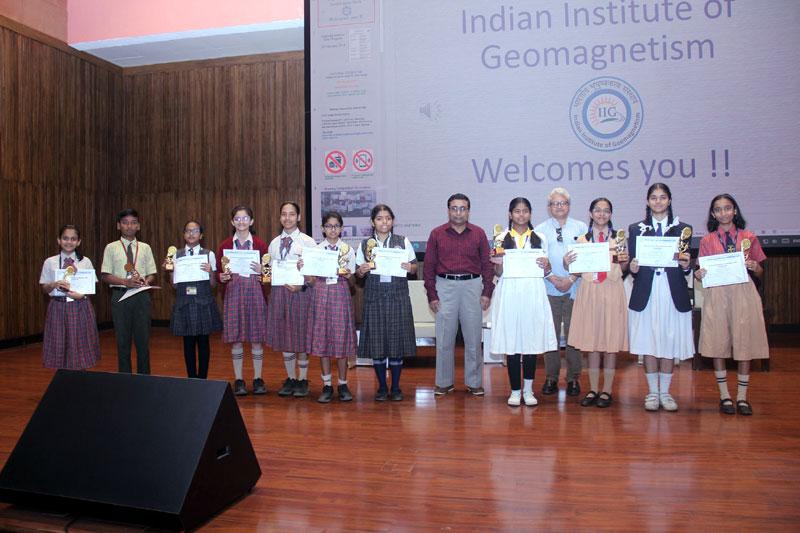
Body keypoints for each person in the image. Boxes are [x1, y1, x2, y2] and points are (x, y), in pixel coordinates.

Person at [696, 193, 769, 416]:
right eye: (718, 209)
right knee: (718, 342)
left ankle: (742, 397)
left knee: (744, 341)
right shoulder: (707, 240)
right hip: (717, 294)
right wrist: (699, 274)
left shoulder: (749, 237)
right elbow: (701, 273)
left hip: (743, 294)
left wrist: (755, 266)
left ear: (735, 211)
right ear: (713, 214)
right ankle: (725, 396)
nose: (723, 213)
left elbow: (760, 271)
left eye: (727, 208)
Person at [628, 183, 694, 412]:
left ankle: (665, 393)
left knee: (668, 339)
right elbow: (630, 265)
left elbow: (686, 265)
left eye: (662, 197)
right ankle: (652, 393)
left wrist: (687, 266)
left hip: (670, 289)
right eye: (654, 197)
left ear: (669, 200)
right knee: (647, 340)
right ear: (647, 201)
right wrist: (633, 267)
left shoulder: (683, 229)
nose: (658, 201)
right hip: (646, 290)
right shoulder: (636, 229)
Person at [424, 193, 494, 397]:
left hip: (472, 286)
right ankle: (444, 382)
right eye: (454, 208)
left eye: (462, 208)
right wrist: (432, 295)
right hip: (445, 286)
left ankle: (474, 383)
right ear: (448, 210)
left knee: (473, 338)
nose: (458, 212)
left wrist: (487, 291)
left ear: (468, 211)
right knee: (445, 338)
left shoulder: (479, 234)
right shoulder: (436, 234)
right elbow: (428, 267)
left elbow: (487, 265)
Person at [489, 198, 556, 406]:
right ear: (510, 214)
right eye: (516, 211)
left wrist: (547, 264)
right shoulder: (500, 237)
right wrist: (497, 263)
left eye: (525, 211)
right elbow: (498, 272)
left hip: (533, 292)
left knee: (530, 341)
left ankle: (528, 390)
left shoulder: (540, 238)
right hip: (509, 292)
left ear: (530, 214)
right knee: (512, 343)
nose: (521, 215)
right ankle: (515, 391)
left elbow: (547, 269)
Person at [564, 198, 629, 408]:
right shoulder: (582, 240)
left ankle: (607, 391)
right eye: (597, 211)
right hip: (590, 291)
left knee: (610, 343)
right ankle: (592, 389)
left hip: (611, 291)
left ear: (611, 214)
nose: (601, 214)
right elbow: (575, 270)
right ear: (590, 214)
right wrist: (568, 263)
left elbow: (624, 268)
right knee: (591, 343)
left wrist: (626, 261)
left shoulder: (619, 239)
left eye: (606, 211)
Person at [356, 204, 417, 401]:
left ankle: (396, 387)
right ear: (373, 222)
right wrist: (362, 270)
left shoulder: (402, 241)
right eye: (380, 218)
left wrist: (410, 266)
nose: (384, 222)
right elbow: (357, 273)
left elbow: (414, 268)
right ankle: (382, 387)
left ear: (392, 221)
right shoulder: (365, 244)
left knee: (397, 344)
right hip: (375, 297)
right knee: (378, 344)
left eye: (388, 218)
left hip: (398, 297)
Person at [534, 188, 588, 397]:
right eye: (555, 203)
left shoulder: (581, 227)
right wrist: (553, 278)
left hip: (574, 287)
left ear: (569, 205)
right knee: (551, 336)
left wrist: (571, 278)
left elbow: (586, 257)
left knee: (574, 336)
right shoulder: (539, 230)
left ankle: (574, 378)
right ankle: (551, 377)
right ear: (549, 208)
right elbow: (537, 259)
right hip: (549, 288)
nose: (559, 206)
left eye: (563, 203)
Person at [304, 211, 357, 403]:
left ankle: (343, 384)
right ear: (323, 229)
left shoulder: (348, 250)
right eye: (328, 226)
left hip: (340, 296)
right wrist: (304, 270)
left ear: (341, 228)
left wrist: (348, 274)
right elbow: (310, 281)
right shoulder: (317, 250)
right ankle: (326, 385)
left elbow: (352, 283)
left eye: (336, 226)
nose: (332, 229)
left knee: (341, 342)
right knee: (323, 341)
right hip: (320, 296)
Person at [217, 205, 269, 396]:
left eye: (245, 218)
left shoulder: (261, 245)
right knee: (236, 339)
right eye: (237, 219)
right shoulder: (224, 246)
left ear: (252, 221)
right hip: (233, 294)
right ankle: (239, 379)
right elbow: (218, 272)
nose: (241, 222)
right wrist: (221, 277)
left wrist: (262, 273)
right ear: (232, 222)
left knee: (256, 339)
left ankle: (257, 379)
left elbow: (268, 275)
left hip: (255, 294)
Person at [267, 201, 317, 398]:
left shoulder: (307, 242)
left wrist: (302, 285)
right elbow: (269, 271)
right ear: (280, 218)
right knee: (284, 335)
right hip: (280, 293)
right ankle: (290, 378)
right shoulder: (274, 243)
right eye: (283, 214)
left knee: (300, 336)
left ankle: (303, 379)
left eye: (291, 214)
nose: (287, 218)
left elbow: (314, 275)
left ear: (298, 217)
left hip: (301, 293)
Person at [101, 208, 157, 374]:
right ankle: (125, 379)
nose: (129, 226)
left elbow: (152, 273)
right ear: (119, 226)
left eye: (133, 222)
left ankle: (144, 378)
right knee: (122, 341)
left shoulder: (145, 248)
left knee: (143, 341)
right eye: (125, 223)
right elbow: (105, 275)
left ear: (138, 226)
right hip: (120, 296)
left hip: (141, 297)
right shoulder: (111, 248)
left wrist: (146, 281)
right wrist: (125, 282)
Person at [39, 224, 100, 370]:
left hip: (80, 307)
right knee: (59, 344)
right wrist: (53, 284)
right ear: (59, 240)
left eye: (73, 239)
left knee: (79, 345)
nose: (69, 242)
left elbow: (93, 286)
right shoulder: (50, 262)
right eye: (65, 238)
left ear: (78, 242)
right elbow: (44, 288)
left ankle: (80, 379)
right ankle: (63, 380)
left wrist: (82, 295)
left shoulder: (85, 261)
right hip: (58, 306)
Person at [168, 220, 223, 379]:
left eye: (195, 231)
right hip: (184, 302)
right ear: (184, 235)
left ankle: (203, 378)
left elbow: (213, 285)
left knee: (204, 342)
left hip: (203, 302)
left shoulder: (209, 254)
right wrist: (170, 270)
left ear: (201, 235)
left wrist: (211, 271)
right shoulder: (176, 255)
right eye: (188, 231)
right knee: (188, 343)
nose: (191, 234)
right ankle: (191, 378)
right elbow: (174, 285)